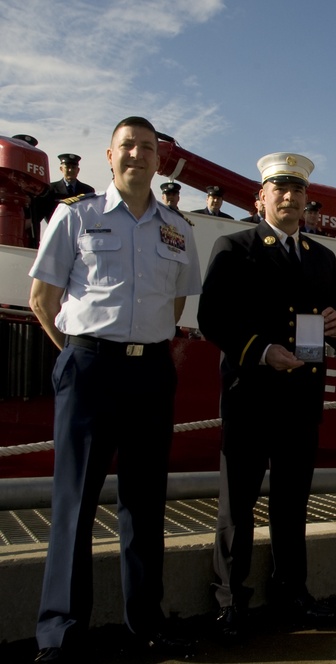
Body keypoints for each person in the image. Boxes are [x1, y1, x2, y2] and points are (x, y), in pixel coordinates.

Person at [28, 116, 201, 663]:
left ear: (158, 160)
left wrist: (140, 350)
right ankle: (60, 634)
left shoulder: (178, 229)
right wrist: (79, 358)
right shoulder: (73, 216)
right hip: (89, 368)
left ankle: (145, 628)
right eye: (128, 145)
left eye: (148, 148)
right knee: (73, 503)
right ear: (109, 155)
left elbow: (176, 305)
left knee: (145, 505)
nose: (137, 155)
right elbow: (41, 299)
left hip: (150, 372)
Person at [198, 153, 336, 638]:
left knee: (292, 502)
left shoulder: (322, 257)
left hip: (301, 399)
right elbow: (213, 318)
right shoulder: (236, 246)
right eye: (279, 188)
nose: (289, 196)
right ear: (260, 197)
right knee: (237, 504)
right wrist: (261, 352)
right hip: (250, 395)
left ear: (307, 200)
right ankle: (230, 602)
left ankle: (291, 593)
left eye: (297, 190)